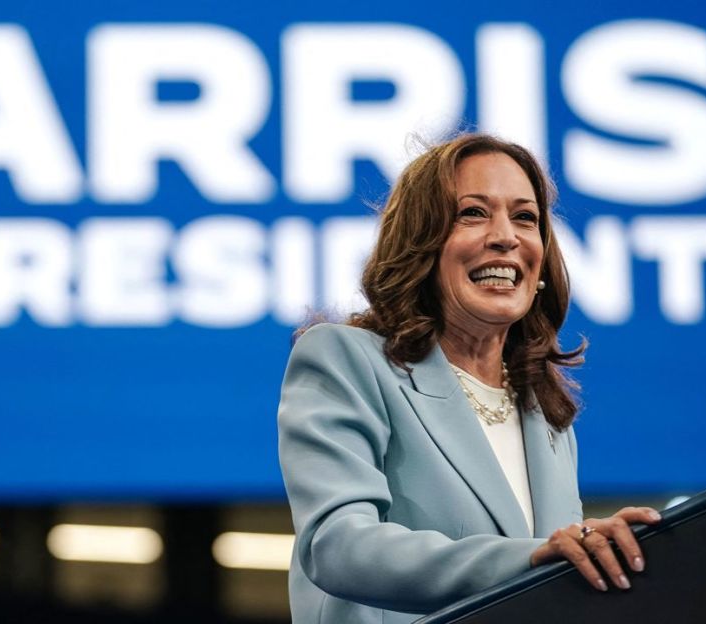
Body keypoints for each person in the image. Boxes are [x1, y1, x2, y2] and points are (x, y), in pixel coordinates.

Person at [277, 133, 662, 624]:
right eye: (473, 213)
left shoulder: (544, 412)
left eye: (526, 217)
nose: (506, 236)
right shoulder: (347, 358)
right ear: (421, 242)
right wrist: (531, 557)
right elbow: (338, 547)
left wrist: (610, 556)